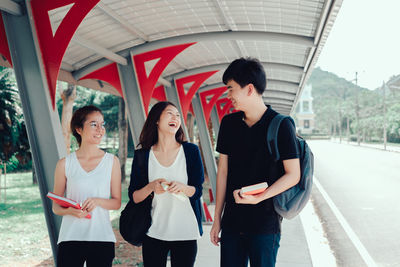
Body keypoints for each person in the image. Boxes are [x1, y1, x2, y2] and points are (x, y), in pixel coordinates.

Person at [210, 58, 301, 267]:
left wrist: (261, 197)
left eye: (231, 89)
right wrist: (217, 219)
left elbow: (293, 174)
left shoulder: (282, 125)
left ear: (249, 89)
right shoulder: (229, 124)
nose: (228, 95)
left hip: (265, 225)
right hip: (232, 224)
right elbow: (222, 172)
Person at [128, 101, 204, 267]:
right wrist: (151, 187)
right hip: (154, 231)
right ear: (157, 119)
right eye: (170, 113)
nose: (175, 118)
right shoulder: (143, 155)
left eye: (177, 115)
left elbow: (197, 191)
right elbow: (134, 197)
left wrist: (183, 188)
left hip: (186, 231)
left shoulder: (191, 151)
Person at [52, 105, 121, 267]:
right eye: (93, 124)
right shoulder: (64, 164)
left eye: (102, 124)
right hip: (70, 237)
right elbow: (56, 206)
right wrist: (69, 211)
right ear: (79, 129)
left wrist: (98, 201)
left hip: (101, 237)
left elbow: (116, 202)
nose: (100, 129)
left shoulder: (112, 162)